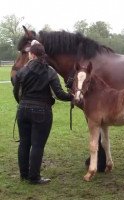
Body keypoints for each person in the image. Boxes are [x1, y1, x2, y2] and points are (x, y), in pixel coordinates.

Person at [13, 40, 73, 184]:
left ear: (32, 54)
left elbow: (16, 92)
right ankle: (34, 177)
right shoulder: (50, 72)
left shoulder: (22, 71)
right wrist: (72, 96)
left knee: (24, 144)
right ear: (42, 55)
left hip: (23, 110)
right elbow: (59, 94)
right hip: (42, 112)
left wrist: (22, 104)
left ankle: (24, 175)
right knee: (37, 145)